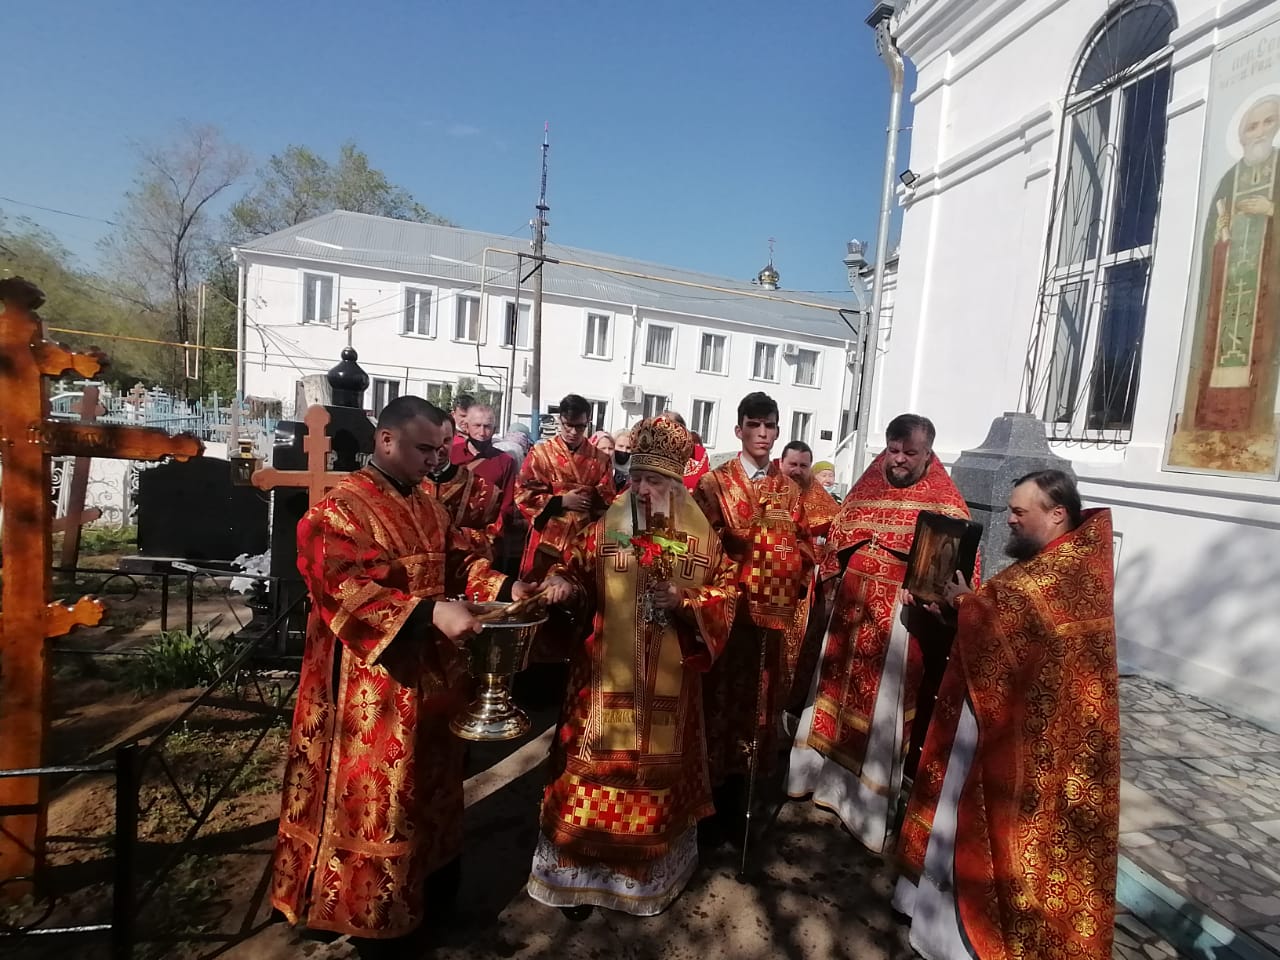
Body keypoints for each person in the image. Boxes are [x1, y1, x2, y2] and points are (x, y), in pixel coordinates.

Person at [270, 396, 537, 945]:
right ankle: (371, 919)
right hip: (369, 689)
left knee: (432, 790)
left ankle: (430, 902)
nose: (435, 460)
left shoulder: (428, 505)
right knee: (380, 801)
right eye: (424, 449)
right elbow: (343, 586)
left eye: (440, 449)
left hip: (432, 679)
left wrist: (509, 587)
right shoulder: (340, 510)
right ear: (386, 440)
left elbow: (460, 563)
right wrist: (429, 613)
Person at [894, 470, 1119, 960]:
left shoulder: (1063, 573)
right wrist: (959, 611)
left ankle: (963, 940)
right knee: (957, 818)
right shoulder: (1057, 562)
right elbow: (1010, 626)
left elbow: (1010, 627)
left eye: (1019, 511)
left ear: (1057, 514)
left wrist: (966, 605)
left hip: (1028, 736)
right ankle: (934, 922)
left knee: (992, 831)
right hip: (998, 717)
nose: (1010, 519)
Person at [529, 417, 740, 917]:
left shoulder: (702, 540)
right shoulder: (606, 527)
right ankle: (578, 876)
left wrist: (687, 600)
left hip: (669, 690)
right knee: (587, 777)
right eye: (639, 477)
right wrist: (563, 586)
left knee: (653, 783)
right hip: (600, 682)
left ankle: (642, 880)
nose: (643, 489)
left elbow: (728, 593)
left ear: (676, 485)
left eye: (656, 481)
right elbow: (571, 569)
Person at [787, 414, 972, 854]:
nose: (899, 460)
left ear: (928, 453)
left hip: (896, 623)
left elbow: (955, 577)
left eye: (910, 452)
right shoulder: (869, 485)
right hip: (849, 613)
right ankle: (815, 778)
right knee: (830, 695)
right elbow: (839, 535)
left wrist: (928, 594)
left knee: (881, 711)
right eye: (893, 450)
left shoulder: (946, 504)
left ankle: (865, 808)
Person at [693, 392, 813, 833]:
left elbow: (804, 543)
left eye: (770, 425)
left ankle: (746, 795)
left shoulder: (789, 488)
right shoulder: (714, 484)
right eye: (755, 424)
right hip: (727, 613)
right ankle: (710, 798)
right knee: (718, 701)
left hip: (770, 616)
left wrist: (790, 569)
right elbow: (699, 545)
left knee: (760, 703)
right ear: (739, 429)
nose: (763, 433)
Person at [1176, 95, 1280, 449]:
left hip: (1265, 294)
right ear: (1241, 135)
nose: (1260, 132)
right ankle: (1212, 423)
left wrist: (1272, 210)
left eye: (1268, 122)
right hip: (1229, 295)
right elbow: (1212, 238)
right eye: (1252, 126)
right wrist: (1220, 232)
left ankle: (1253, 428)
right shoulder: (1227, 180)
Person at [514, 393, 617, 582]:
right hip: (546, 539)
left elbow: (608, 502)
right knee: (537, 589)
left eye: (580, 426)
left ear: (588, 422)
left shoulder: (601, 460)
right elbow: (523, 493)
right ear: (559, 420)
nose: (573, 432)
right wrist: (561, 501)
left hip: (583, 540)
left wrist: (593, 501)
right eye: (568, 425)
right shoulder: (540, 454)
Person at [771, 440, 840, 707]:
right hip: (766, 582)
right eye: (793, 464)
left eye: (804, 465)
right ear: (781, 463)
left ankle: (788, 705)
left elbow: (834, 536)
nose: (798, 470)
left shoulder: (822, 501)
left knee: (795, 650)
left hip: (802, 590)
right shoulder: (767, 489)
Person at [422, 418, 499, 558]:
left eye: (446, 440)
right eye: (431, 440)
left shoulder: (482, 489)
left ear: (454, 439)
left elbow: (492, 535)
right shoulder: (404, 484)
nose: (438, 447)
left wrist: (459, 537)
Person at [451, 403, 519, 552]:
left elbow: (507, 507)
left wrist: (489, 538)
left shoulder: (505, 461)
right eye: (477, 426)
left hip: (485, 542)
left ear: (494, 430)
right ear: (466, 427)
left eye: (487, 427)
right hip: (450, 538)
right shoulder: (451, 454)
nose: (482, 432)